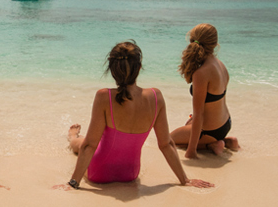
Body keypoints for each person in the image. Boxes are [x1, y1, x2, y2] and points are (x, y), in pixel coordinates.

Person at [60, 41, 213, 190]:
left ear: (112, 70)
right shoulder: (156, 96)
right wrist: (184, 180)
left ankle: (72, 136)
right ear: (139, 68)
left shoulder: (104, 97)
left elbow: (89, 146)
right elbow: (166, 144)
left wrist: (73, 183)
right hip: (130, 174)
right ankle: (74, 137)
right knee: (87, 143)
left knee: (81, 143)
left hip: (98, 174)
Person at [171, 23, 241, 159]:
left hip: (210, 131)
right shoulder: (220, 65)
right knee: (188, 123)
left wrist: (191, 151)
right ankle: (227, 141)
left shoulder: (201, 73)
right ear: (215, 44)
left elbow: (199, 115)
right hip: (225, 123)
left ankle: (211, 145)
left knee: (168, 140)